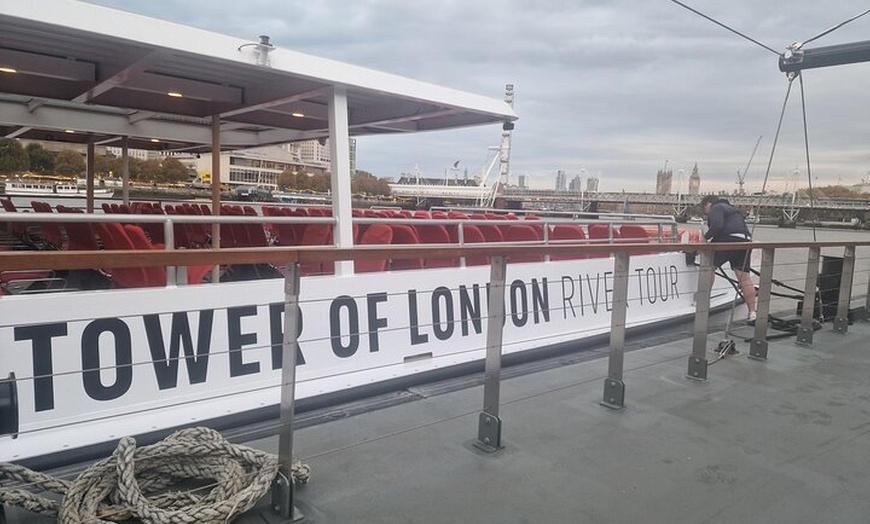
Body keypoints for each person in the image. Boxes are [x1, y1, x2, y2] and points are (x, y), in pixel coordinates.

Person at [700, 194, 757, 322]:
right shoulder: (733, 211)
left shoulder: (717, 207)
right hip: (745, 241)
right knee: (744, 278)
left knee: (708, 267)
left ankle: (704, 302)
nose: (707, 213)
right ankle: (752, 312)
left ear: (708, 204)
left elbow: (717, 227)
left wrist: (705, 239)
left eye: (705, 210)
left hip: (728, 240)